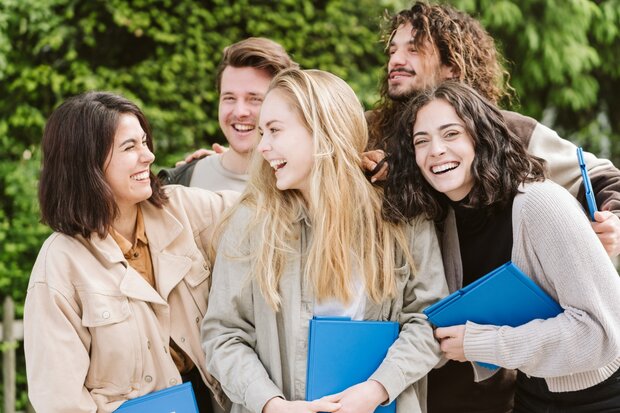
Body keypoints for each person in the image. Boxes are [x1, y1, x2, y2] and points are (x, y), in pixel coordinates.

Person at [201, 68, 449, 413]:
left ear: (324, 131)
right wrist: (272, 405)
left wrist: (377, 389)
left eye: (274, 130)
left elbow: (429, 319)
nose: (262, 146)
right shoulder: (251, 222)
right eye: (262, 132)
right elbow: (223, 335)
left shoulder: (401, 216)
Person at [383, 80, 620, 412]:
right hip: (530, 393)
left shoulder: (541, 203)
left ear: (481, 137)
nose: (435, 149)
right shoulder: (446, 219)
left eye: (451, 134)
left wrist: (481, 343)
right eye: (422, 141)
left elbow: (603, 335)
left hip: (601, 396)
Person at [23, 91, 238, 413]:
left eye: (144, 142)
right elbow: (60, 402)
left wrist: (243, 159)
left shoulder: (186, 209)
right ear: (87, 163)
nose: (148, 156)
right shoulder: (58, 266)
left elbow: (269, 213)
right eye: (130, 147)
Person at [363, 1, 620, 258]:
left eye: (414, 49)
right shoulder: (368, 131)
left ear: (451, 65)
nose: (395, 61)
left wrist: (614, 223)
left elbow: (603, 176)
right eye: (392, 51)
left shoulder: (505, 131)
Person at [158, 37, 298, 191]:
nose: (240, 112)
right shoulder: (180, 182)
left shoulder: (305, 189)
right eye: (229, 98)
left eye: (255, 99)